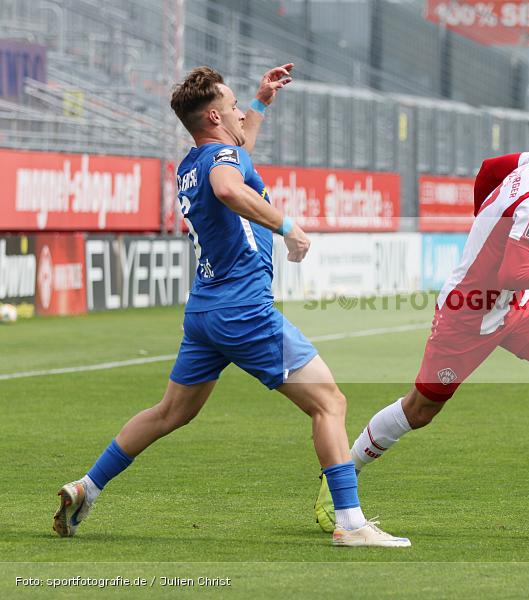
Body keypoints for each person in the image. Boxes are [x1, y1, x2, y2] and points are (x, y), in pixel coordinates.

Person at [52, 65, 409, 547]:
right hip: (243, 309)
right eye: (235, 105)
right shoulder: (224, 162)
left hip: (205, 311)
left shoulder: (193, 163)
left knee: (169, 413)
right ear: (216, 116)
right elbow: (228, 184)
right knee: (330, 402)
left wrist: (261, 102)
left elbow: (234, 159)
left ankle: (87, 487)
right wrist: (288, 227)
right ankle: (350, 523)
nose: (242, 113)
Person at [313, 113, 529, 532]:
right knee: (419, 410)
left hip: (513, 307)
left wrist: (485, 223)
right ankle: (340, 478)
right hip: (467, 315)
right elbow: (513, 272)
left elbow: (489, 168)